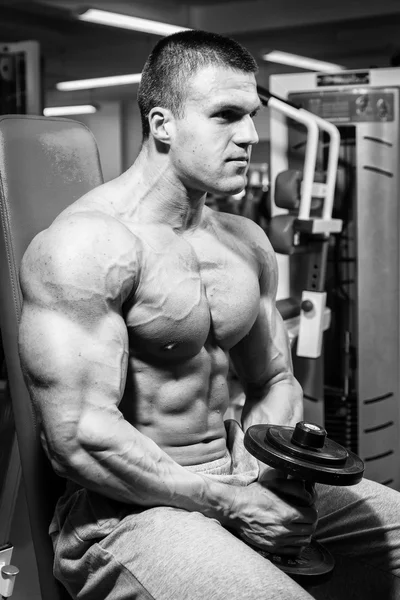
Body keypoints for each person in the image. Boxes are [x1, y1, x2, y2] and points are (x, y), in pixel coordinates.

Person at [18, 30, 400, 600]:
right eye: (225, 116)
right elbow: (79, 437)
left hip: (238, 478)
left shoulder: (244, 241)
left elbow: (274, 380)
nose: (249, 136)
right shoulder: (87, 247)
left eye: (251, 115)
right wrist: (232, 502)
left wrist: (263, 478)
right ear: (162, 125)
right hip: (125, 512)